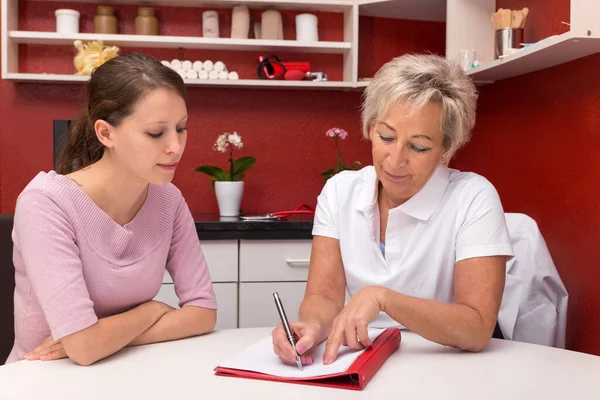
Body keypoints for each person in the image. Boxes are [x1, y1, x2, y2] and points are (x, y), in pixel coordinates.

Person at [272, 54, 514, 366]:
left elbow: (477, 328)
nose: (395, 159)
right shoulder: (340, 192)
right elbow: (325, 298)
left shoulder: (473, 198)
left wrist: (384, 298)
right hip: (360, 359)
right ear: (370, 128)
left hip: (448, 366)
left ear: (446, 149)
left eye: (419, 146)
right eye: (386, 137)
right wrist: (311, 328)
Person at [6, 53, 217, 366]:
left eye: (182, 128)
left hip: (126, 370)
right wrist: (153, 310)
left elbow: (203, 314)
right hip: (43, 379)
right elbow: (84, 349)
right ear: (106, 133)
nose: (175, 146)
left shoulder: (168, 201)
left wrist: (102, 338)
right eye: (156, 133)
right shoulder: (46, 203)